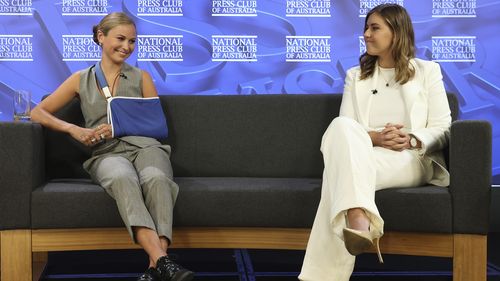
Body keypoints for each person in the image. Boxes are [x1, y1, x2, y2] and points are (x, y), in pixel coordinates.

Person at [30, 12, 194, 281]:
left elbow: (157, 125)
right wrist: (74, 129)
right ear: (101, 37)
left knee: (156, 178)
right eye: (120, 39)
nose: (127, 47)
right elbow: (39, 113)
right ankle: (164, 262)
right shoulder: (81, 79)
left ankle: (156, 267)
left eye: (132, 41)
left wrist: (119, 125)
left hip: (146, 147)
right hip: (106, 153)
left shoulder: (142, 77)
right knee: (121, 177)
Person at [298, 4, 451, 281]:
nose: (367, 34)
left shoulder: (428, 71)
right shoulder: (356, 76)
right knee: (339, 126)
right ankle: (357, 215)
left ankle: (330, 261)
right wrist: (375, 137)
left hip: (410, 157)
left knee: (338, 176)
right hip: (366, 152)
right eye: (366, 28)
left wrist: (411, 138)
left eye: (375, 28)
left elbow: (443, 127)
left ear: (397, 32)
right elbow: (347, 128)